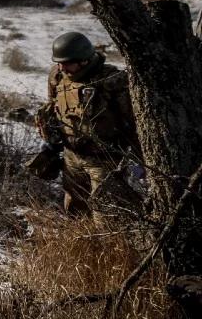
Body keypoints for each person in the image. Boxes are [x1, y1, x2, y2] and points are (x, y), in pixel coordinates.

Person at [35, 31, 142, 222]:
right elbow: (54, 106)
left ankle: (114, 250)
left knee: (107, 216)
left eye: (66, 63)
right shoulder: (57, 76)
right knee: (75, 211)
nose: (61, 67)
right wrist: (51, 142)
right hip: (71, 156)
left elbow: (134, 122)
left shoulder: (113, 81)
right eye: (58, 62)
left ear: (83, 60)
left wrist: (137, 159)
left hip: (105, 160)